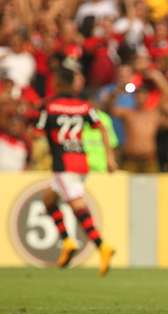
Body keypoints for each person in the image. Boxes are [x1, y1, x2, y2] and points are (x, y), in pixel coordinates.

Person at [36, 65, 118, 276]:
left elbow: (38, 131)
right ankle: (68, 242)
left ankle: (102, 246)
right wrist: (109, 157)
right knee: (48, 200)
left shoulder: (50, 106)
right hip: (81, 161)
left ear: (58, 83)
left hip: (63, 164)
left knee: (76, 204)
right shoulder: (84, 106)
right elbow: (102, 127)